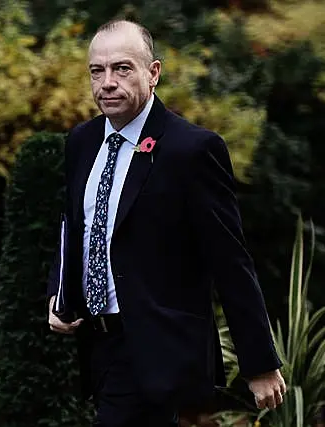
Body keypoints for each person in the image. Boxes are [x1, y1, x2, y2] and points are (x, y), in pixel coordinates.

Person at [46, 19, 286, 427]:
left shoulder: (191, 150)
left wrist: (259, 362)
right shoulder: (81, 142)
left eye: (122, 69)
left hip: (158, 349)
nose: (107, 82)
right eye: (96, 71)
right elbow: (79, 226)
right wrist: (60, 291)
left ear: (153, 73)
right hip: (97, 343)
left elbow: (230, 260)